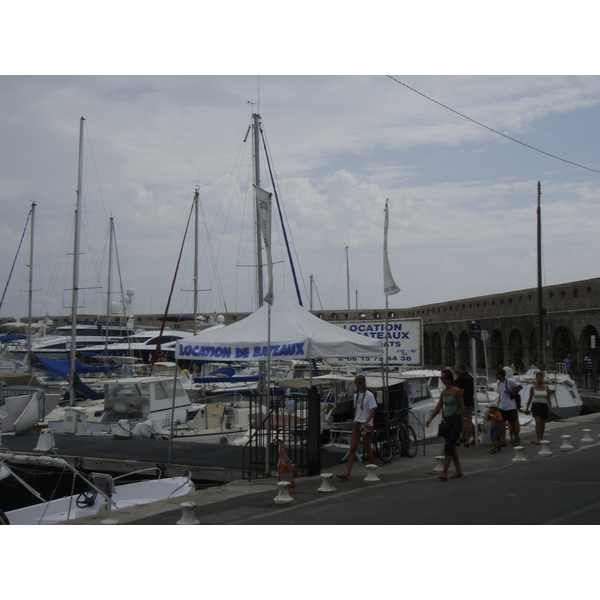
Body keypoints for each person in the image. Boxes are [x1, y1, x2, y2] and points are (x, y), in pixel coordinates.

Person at [425, 368, 467, 481]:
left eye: (445, 378)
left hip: (456, 419)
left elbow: (462, 405)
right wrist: (430, 419)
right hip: (446, 420)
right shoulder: (443, 392)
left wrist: (464, 420)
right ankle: (459, 470)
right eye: (442, 378)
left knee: (448, 445)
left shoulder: (456, 391)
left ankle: (444, 472)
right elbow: (439, 407)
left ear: (450, 379)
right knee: (451, 446)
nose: (443, 380)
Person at [337, 374, 377, 481]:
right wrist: (355, 420)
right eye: (355, 383)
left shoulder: (369, 395)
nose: (356, 385)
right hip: (357, 422)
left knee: (367, 448)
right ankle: (347, 473)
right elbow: (356, 409)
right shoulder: (356, 395)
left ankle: (372, 470)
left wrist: (366, 424)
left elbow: (372, 410)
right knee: (352, 448)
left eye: (357, 383)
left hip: (366, 423)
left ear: (361, 384)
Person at [496, 368, 523, 445]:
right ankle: (503, 439)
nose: (495, 375)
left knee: (512, 422)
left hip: (511, 406)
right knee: (502, 423)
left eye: (496, 374)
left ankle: (516, 438)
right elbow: (501, 395)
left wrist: (511, 391)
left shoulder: (509, 381)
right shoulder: (499, 383)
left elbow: (520, 387)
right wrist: (498, 404)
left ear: (500, 375)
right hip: (502, 406)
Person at [524, 370, 553, 444]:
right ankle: (538, 438)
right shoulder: (533, 387)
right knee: (538, 421)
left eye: (540, 377)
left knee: (543, 423)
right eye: (538, 377)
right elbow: (530, 398)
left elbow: (548, 398)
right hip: (536, 405)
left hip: (544, 405)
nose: (539, 379)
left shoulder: (546, 387)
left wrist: (550, 407)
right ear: (536, 378)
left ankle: (541, 436)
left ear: (542, 378)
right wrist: (527, 407)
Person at [455, 363, 475, 446]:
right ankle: (467, 440)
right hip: (470, 401)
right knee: (469, 421)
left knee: (459, 421)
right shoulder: (471, 378)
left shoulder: (460, 380)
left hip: (462, 403)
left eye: (457, 371)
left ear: (460, 369)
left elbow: (462, 391)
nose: (456, 373)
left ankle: (458, 440)